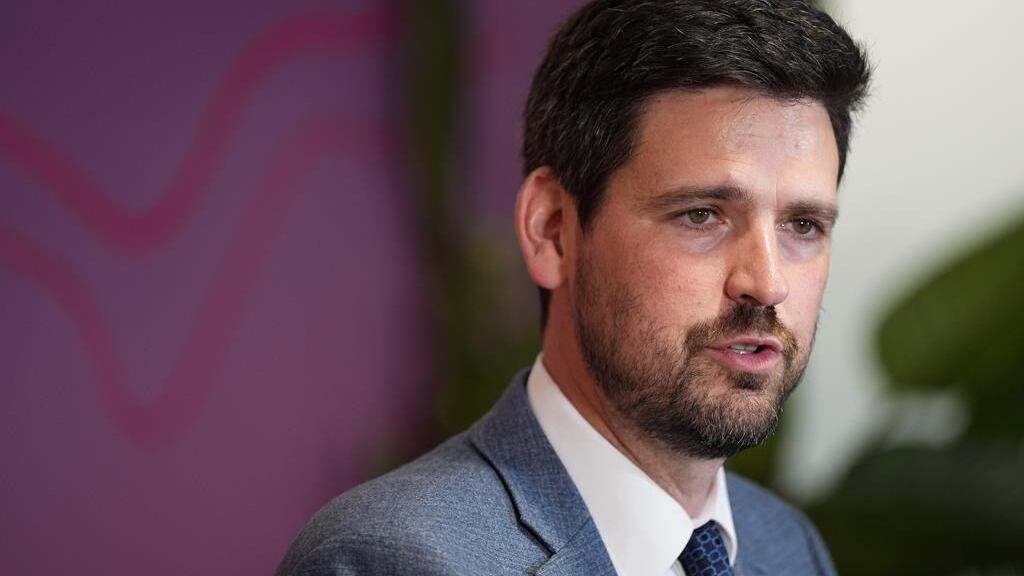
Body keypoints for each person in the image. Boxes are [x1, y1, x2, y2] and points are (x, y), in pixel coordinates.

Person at [276, 0, 870, 574]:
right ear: (552, 231)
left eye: (803, 225)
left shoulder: (788, 547)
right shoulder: (390, 559)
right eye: (701, 215)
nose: (767, 283)